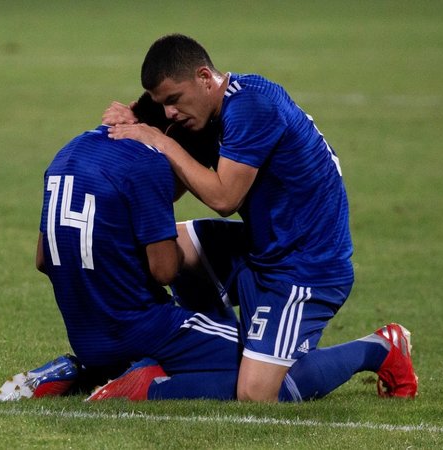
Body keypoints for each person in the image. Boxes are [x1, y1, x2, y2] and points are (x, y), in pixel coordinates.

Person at [105, 34, 418, 402]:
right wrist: (141, 128)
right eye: (164, 104)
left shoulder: (253, 106)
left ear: (205, 77)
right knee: (165, 245)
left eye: (174, 100)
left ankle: (381, 347)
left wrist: (160, 140)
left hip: (305, 267)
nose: (171, 112)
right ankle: (212, 352)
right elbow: (173, 187)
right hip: (261, 246)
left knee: (256, 395)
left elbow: (223, 197)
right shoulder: (205, 116)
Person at [0, 93, 241, 402]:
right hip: (142, 328)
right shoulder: (148, 162)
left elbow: (43, 259)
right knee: (266, 362)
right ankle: (145, 387)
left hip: (86, 338)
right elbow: (164, 271)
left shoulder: (67, 152)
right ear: (170, 136)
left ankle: (76, 372)